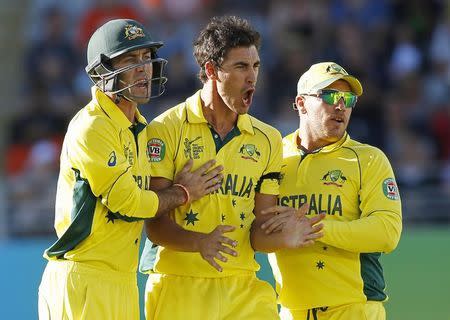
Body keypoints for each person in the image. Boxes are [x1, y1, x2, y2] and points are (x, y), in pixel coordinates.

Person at [139, 16, 325, 320]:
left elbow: (258, 232)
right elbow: (155, 224)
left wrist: (284, 236)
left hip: (244, 290)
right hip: (179, 286)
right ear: (212, 71)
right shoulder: (165, 129)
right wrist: (200, 241)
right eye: (241, 67)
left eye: (256, 66)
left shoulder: (268, 139)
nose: (252, 77)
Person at [38, 18, 223, 320]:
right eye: (130, 59)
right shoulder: (92, 127)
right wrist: (183, 192)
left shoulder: (140, 128)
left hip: (123, 279)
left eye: (146, 58)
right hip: (84, 276)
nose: (143, 68)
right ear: (104, 71)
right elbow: (129, 204)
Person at [262, 62, 402, 320]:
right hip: (291, 312)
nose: (341, 106)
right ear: (301, 103)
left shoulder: (368, 158)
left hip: (355, 309)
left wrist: (313, 228)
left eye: (348, 99)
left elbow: (387, 232)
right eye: (330, 96)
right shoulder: (272, 156)